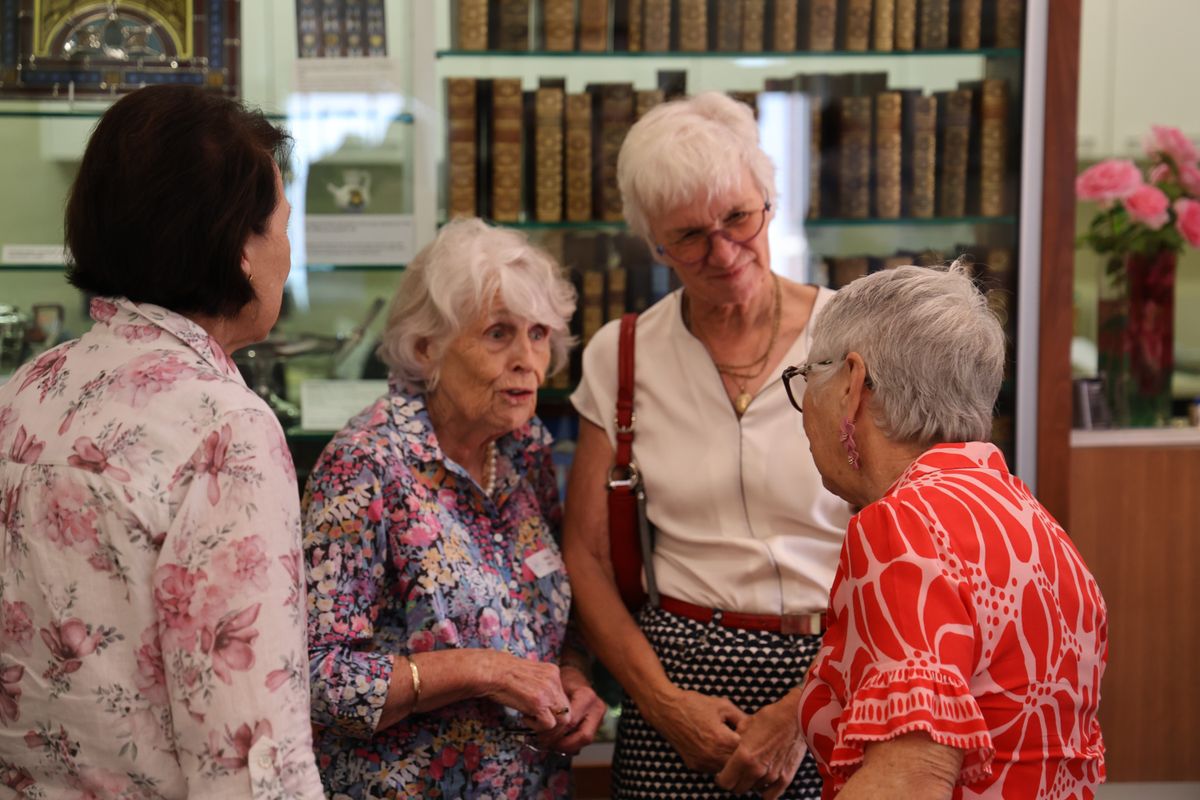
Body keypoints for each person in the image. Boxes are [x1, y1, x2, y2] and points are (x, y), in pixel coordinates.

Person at [0, 85, 325, 797]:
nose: (288, 251)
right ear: (241, 248)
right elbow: (249, 754)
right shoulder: (225, 428)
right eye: (283, 225)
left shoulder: (26, 392)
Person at [563, 91, 853, 799]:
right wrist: (663, 705)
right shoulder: (621, 355)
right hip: (675, 689)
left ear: (770, 200)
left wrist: (802, 710)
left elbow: (916, 550)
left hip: (843, 672)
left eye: (738, 218)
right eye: (689, 236)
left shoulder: (855, 336)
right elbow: (587, 557)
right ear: (653, 243)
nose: (722, 253)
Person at [303, 218, 607, 799]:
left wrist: (572, 676)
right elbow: (320, 677)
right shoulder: (366, 464)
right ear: (427, 348)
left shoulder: (525, 449)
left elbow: (556, 615)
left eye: (539, 333)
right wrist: (484, 670)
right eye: (498, 333)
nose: (527, 359)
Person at [791, 264, 1107, 799]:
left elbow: (911, 779)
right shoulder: (1032, 521)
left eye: (807, 378)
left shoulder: (901, 525)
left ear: (851, 384)